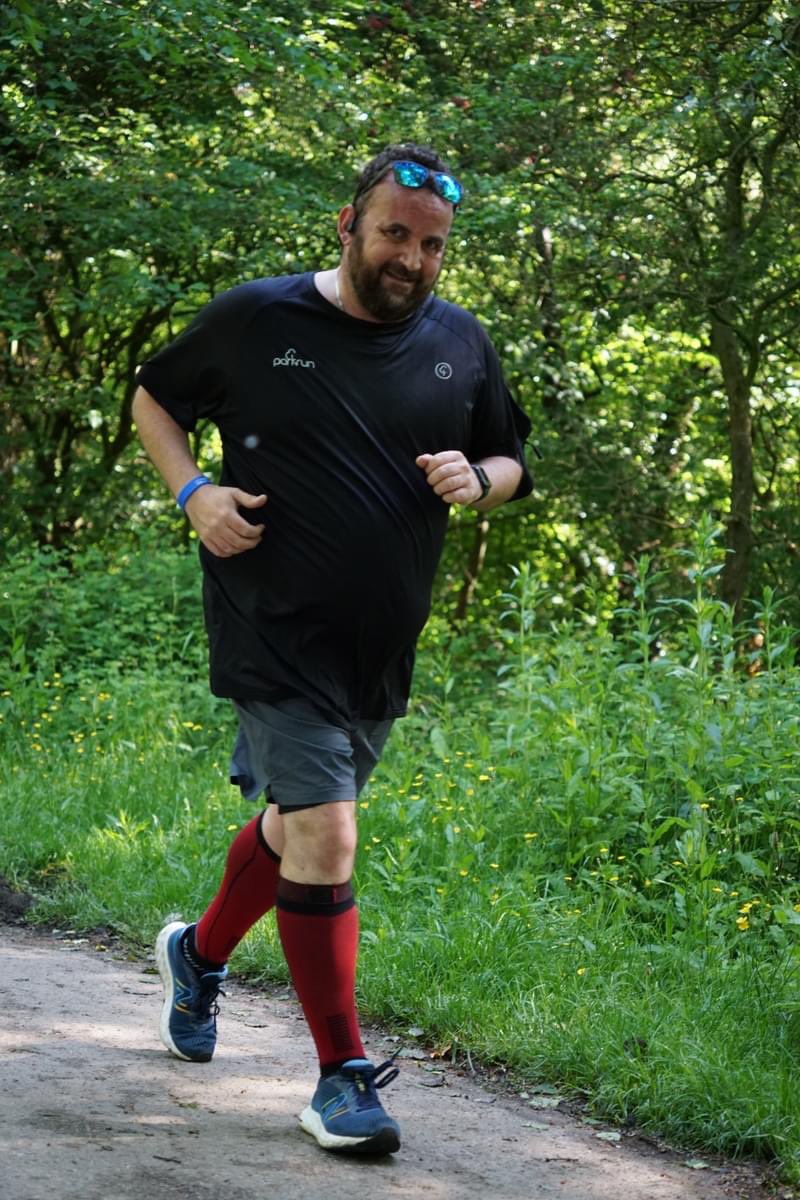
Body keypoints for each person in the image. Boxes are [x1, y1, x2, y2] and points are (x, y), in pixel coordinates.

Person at [132, 142, 533, 1157]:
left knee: (293, 828)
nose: (410, 258)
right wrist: (195, 494)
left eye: (432, 245)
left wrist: (478, 480)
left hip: (377, 650)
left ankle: (198, 955)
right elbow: (154, 399)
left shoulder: (459, 342)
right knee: (329, 836)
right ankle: (341, 1075)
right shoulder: (258, 318)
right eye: (394, 232)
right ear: (346, 225)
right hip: (269, 625)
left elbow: (510, 458)